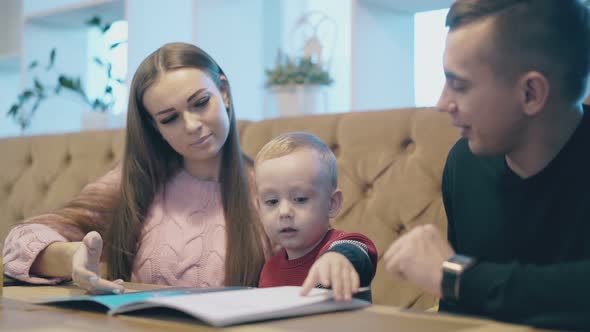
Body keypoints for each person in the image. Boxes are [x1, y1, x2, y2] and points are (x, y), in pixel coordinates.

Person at [383, 0, 590, 330]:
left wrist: (459, 277)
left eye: (460, 85)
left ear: (530, 94)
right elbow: (464, 310)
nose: (441, 103)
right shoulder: (464, 163)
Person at [2, 42, 268, 294]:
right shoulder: (136, 182)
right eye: (170, 118)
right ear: (155, 127)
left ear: (224, 93)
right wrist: (72, 256)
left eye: (200, 103)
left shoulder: (272, 186)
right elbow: (19, 242)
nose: (191, 125)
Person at [254, 132, 378, 301]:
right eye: (272, 201)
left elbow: (356, 252)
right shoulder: (269, 270)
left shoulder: (344, 244)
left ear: (332, 203)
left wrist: (338, 258)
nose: (284, 212)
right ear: (259, 208)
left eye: (300, 199)